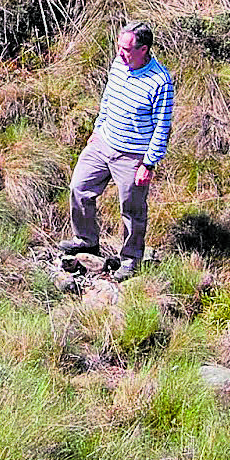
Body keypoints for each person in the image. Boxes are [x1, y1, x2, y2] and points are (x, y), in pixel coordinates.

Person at [56, 20, 174, 281]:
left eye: (126, 49)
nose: (120, 53)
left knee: (132, 210)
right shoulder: (118, 65)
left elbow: (162, 127)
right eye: (119, 47)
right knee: (79, 187)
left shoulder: (160, 81)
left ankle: (131, 259)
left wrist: (149, 163)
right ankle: (86, 240)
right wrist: (97, 130)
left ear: (143, 50)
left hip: (133, 156)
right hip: (103, 142)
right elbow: (107, 100)